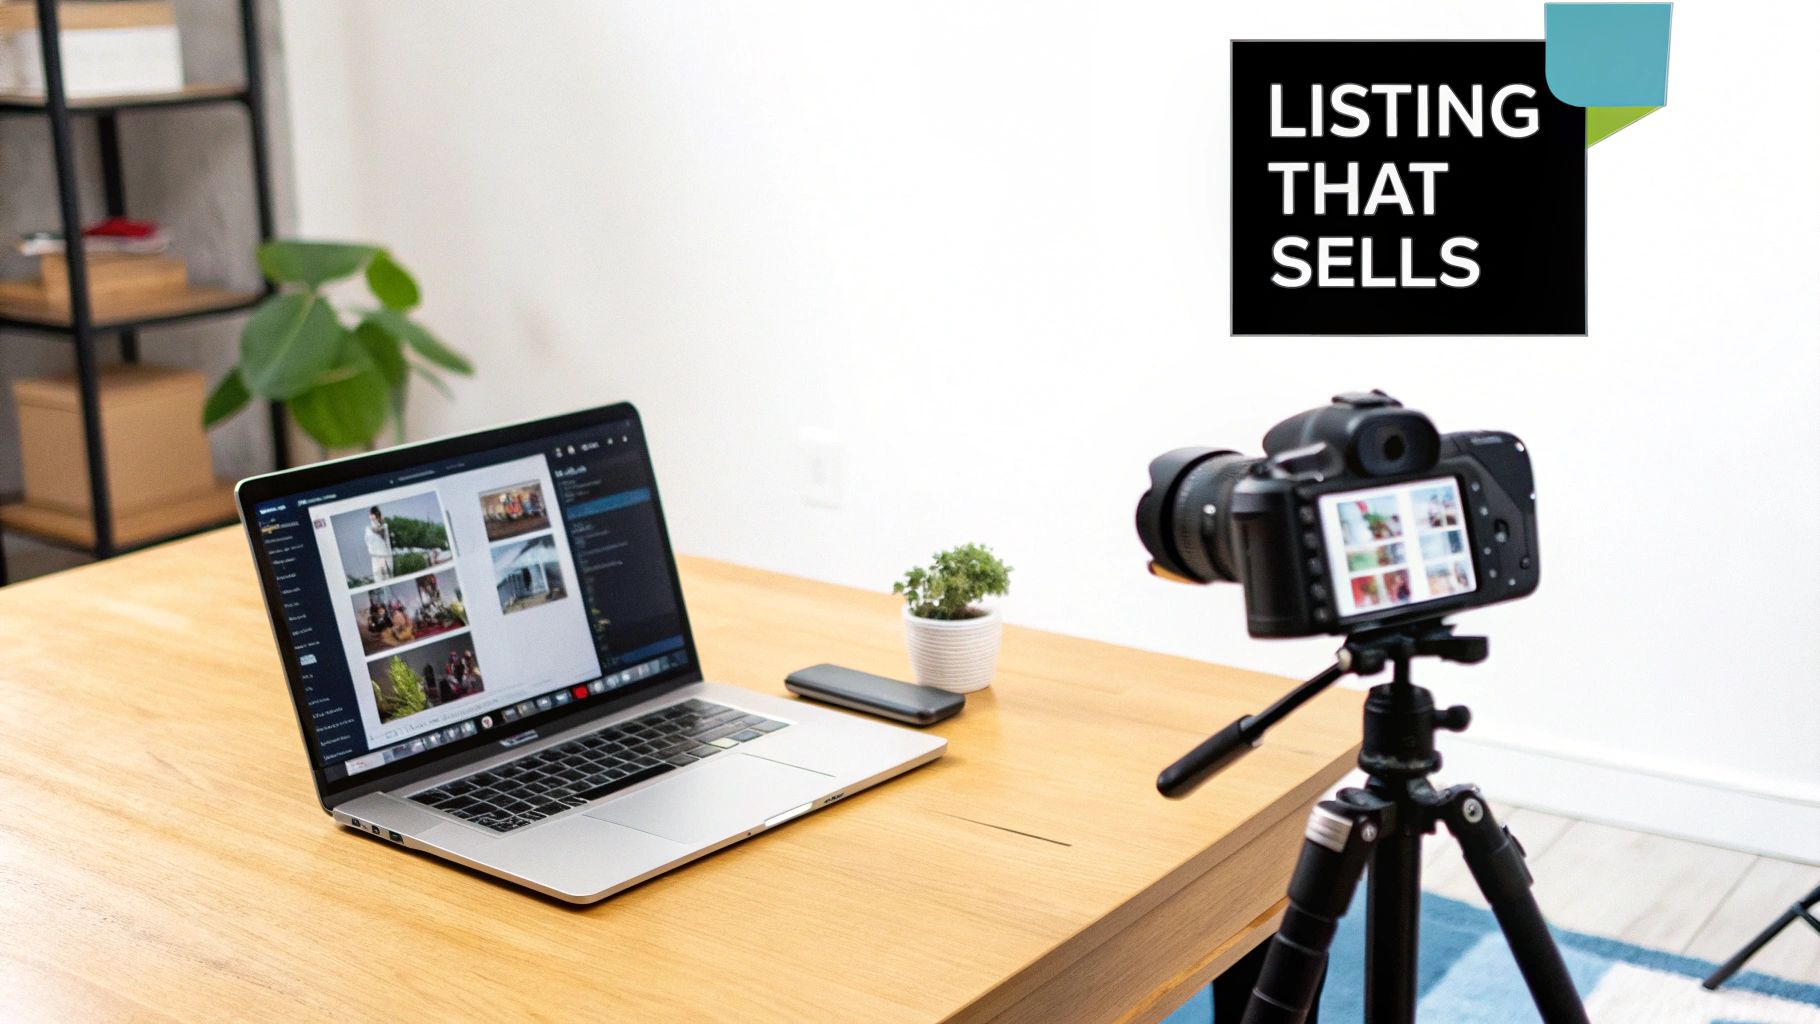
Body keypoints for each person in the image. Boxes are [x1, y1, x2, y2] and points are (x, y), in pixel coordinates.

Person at [365, 507, 394, 581]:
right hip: (377, 558)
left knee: (387, 576)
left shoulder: (384, 526)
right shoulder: (369, 530)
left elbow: (383, 532)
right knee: (380, 577)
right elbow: (370, 543)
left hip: (384, 556)